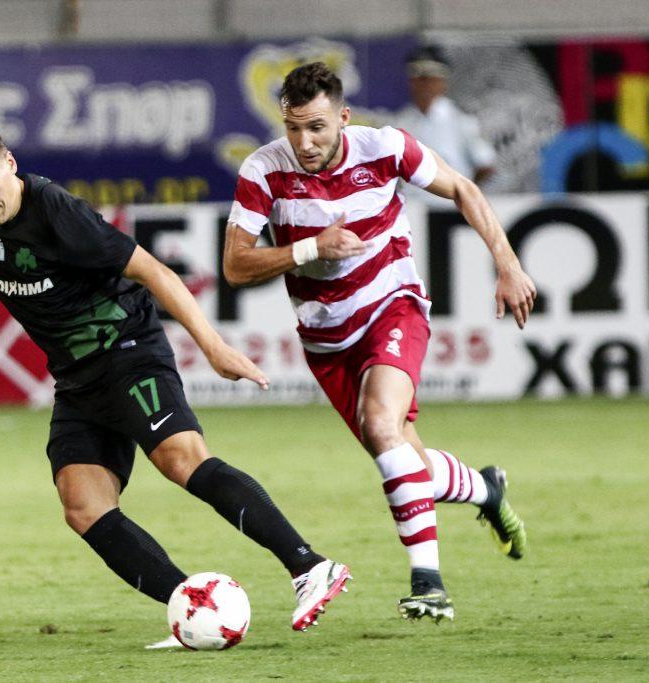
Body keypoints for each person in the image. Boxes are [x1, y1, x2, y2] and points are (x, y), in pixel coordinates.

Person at [0, 119, 350, 647]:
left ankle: (309, 566)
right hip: (78, 379)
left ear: (9, 164)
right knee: (83, 505)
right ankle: (195, 606)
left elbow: (153, 271)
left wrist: (213, 347)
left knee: (181, 460)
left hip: (128, 349)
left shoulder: (56, 211)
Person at [223, 62, 535, 622]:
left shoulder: (384, 147)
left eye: (316, 127)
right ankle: (485, 490)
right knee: (402, 456)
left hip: (394, 307)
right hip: (326, 339)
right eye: (293, 128)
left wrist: (508, 264)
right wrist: (309, 248)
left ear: (343, 117)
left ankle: (429, 582)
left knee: (381, 424)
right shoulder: (264, 170)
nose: (304, 141)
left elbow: (463, 187)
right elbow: (235, 265)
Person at [395, 46, 495, 188]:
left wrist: (463, 195)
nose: (425, 85)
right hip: (413, 206)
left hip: (449, 206)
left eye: (431, 79)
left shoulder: (461, 119)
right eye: (419, 79)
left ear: (442, 83)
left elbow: (485, 164)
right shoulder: (402, 121)